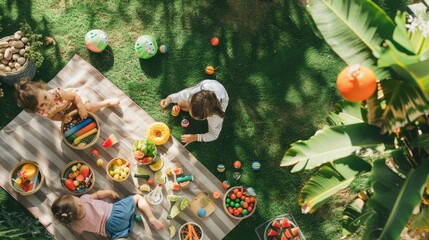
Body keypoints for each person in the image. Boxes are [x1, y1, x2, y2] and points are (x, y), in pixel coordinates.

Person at [51, 190, 164, 239]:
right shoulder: (84, 199)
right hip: (117, 212)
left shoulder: (76, 225)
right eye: (74, 197)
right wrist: (110, 192)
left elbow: (79, 232)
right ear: (79, 203)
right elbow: (98, 194)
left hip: (111, 231)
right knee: (138, 197)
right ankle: (151, 217)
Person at [15, 79, 120, 122]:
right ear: (37, 109)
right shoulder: (42, 111)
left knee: (88, 109)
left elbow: (75, 97)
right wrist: (62, 117)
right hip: (65, 110)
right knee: (73, 121)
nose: (48, 103)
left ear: (43, 89)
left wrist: (81, 107)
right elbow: (52, 116)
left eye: (45, 97)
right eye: (42, 105)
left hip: (74, 99)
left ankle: (107, 102)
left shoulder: (57, 93)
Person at [160, 79, 229, 144]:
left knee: (182, 106)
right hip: (208, 84)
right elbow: (179, 95)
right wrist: (168, 100)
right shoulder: (193, 93)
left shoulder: (215, 117)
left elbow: (214, 135)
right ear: (191, 100)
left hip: (222, 96)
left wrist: (195, 137)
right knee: (181, 103)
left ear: (208, 116)